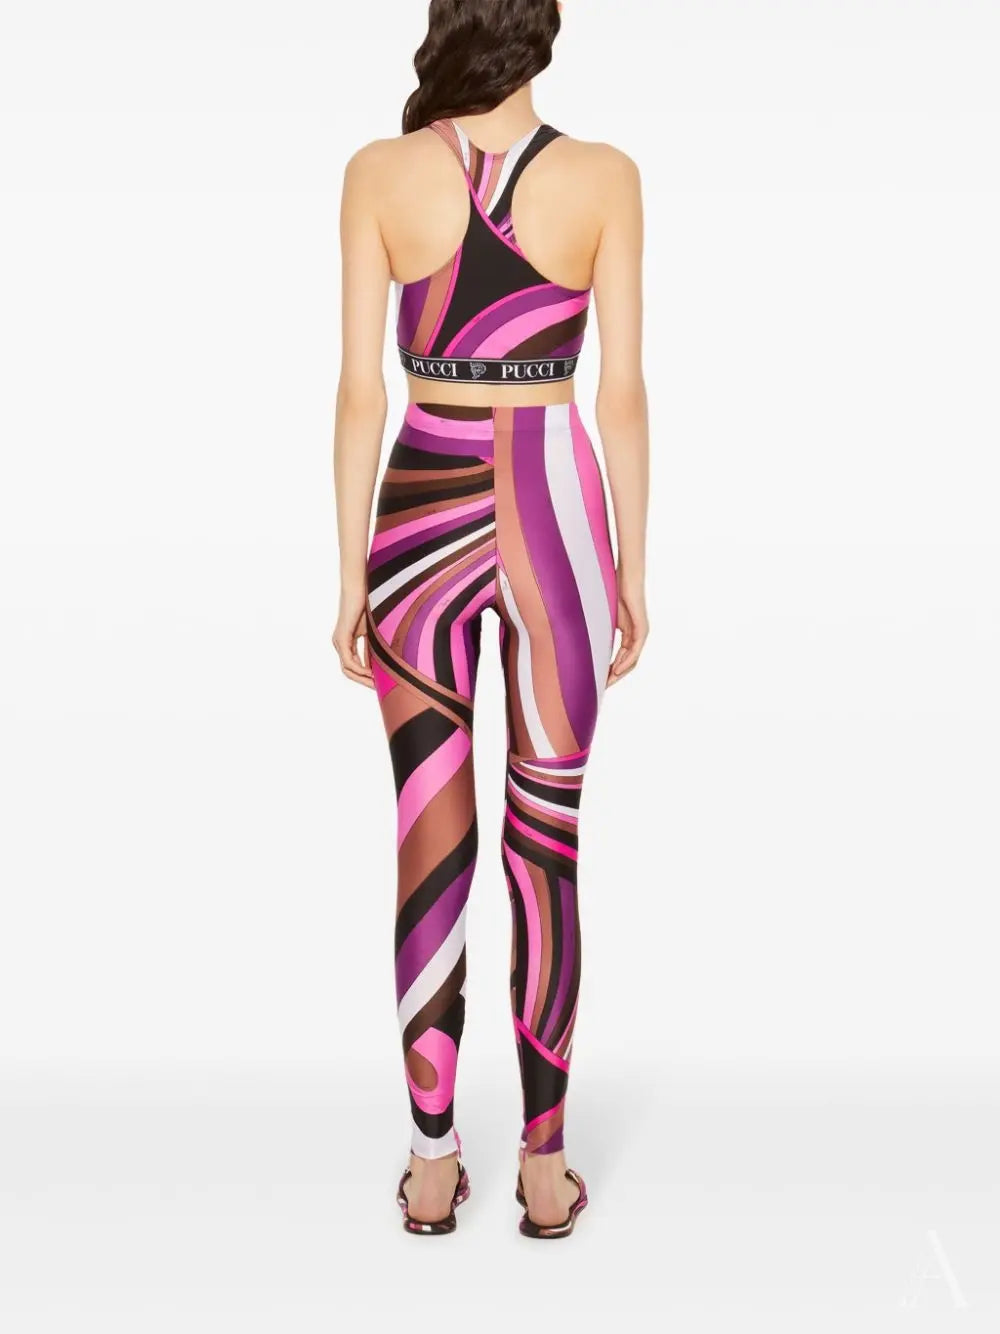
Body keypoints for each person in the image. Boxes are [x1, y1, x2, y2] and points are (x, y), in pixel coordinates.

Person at [332, 0, 649, 1239]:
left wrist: (347, 576)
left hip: (417, 509)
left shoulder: (378, 172)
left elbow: (359, 391)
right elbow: (620, 393)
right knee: (545, 843)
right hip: (556, 515)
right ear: (542, 29)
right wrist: (633, 565)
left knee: (430, 839)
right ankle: (544, 1164)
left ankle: (429, 1161)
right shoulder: (606, 178)